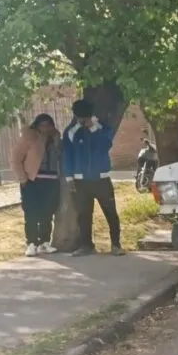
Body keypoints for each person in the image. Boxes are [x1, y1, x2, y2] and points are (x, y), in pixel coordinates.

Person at [63, 99, 124, 256]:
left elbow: (105, 146)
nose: (82, 121)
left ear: (90, 115)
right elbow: (67, 155)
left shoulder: (103, 128)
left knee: (110, 212)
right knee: (83, 214)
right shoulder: (71, 131)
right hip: (80, 180)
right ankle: (86, 245)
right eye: (80, 118)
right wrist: (69, 177)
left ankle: (116, 245)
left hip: (101, 179)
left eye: (85, 118)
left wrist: (93, 129)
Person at [9, 113, 62, 256]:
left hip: (51, 181)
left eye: (49, 125)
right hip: (32, 181)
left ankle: (44, 242)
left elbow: (60, 157)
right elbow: (15, 159)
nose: (46, 128)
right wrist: (23, 178)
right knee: (31, 213)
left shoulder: (56, 138)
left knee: (47, 213)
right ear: (36, 126)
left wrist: (57, 141)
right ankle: (31, 243)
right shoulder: (28, 138)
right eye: (42, 125)